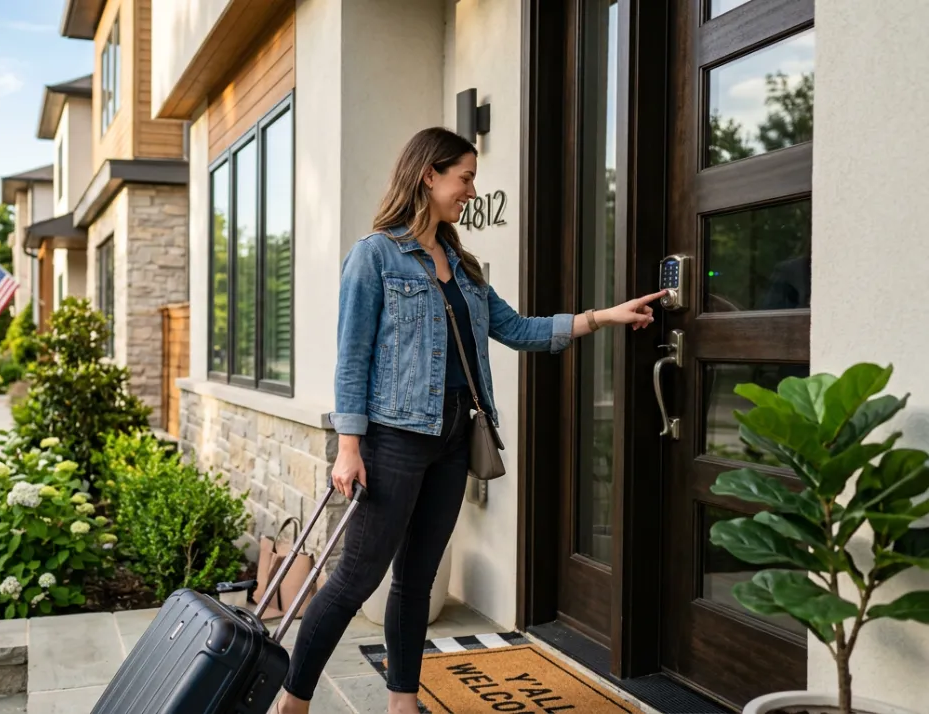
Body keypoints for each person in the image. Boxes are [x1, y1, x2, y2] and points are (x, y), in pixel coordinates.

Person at [275, 127, 664, 714]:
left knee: (416, 578)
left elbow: (519, 330)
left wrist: (603, 317)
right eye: (465, 177)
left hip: (456, 438)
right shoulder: (375, 254)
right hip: (394, 440)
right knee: (356, 577)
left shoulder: (463, 263)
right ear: (428, 175)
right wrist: (348, 445)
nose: (471, 190)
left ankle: (403, 699)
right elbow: (351, 355)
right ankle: (294, 699)